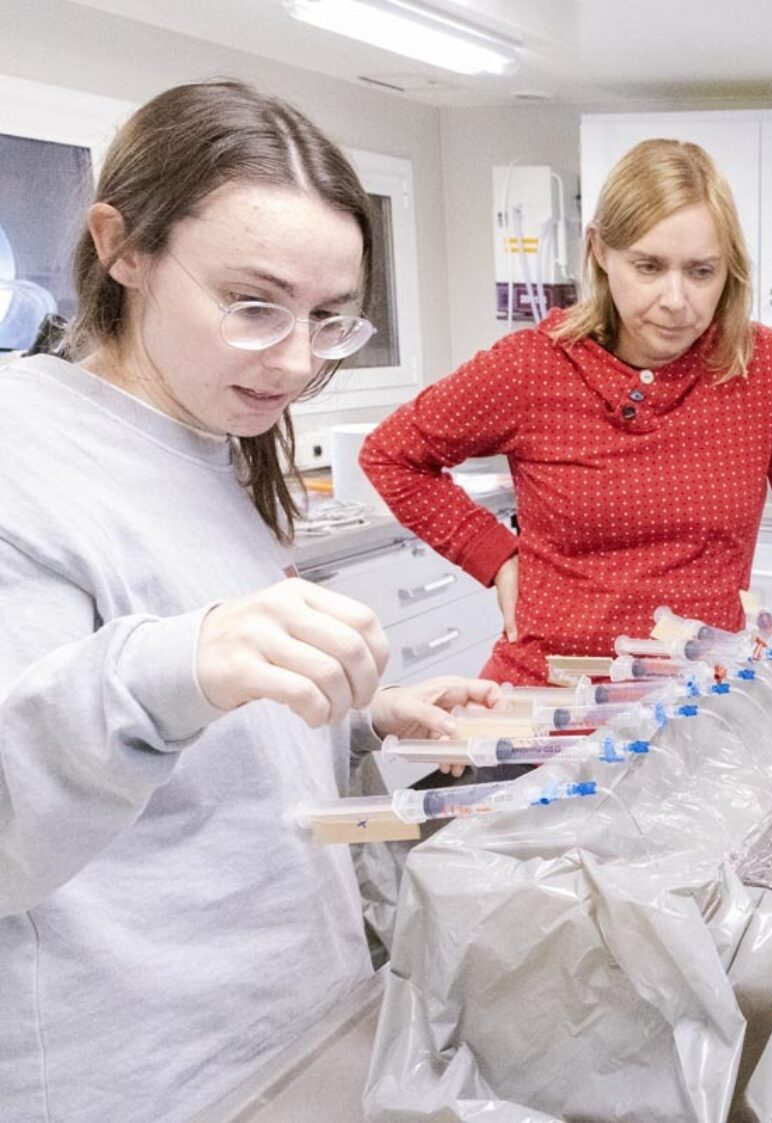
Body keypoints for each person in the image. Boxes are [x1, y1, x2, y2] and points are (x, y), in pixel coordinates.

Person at [0, 81, 497, 1121]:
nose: (298, 361)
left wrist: (360, 714)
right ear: (122, 247)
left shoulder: (212, 434)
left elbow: (209, 728)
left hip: (294, 1020)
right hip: (143, 1072)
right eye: (254, 304)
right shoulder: (23, 456)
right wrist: (176, 662)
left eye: (328, 320)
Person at [361, 139, 772, 685]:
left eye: (702, 272)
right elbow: (390, 455)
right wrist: (493, 554)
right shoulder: (532, 367)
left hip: (694, 706)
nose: (676, 300)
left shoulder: (758, 364)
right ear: (601, 251)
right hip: (548, 698)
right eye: (649, 267)